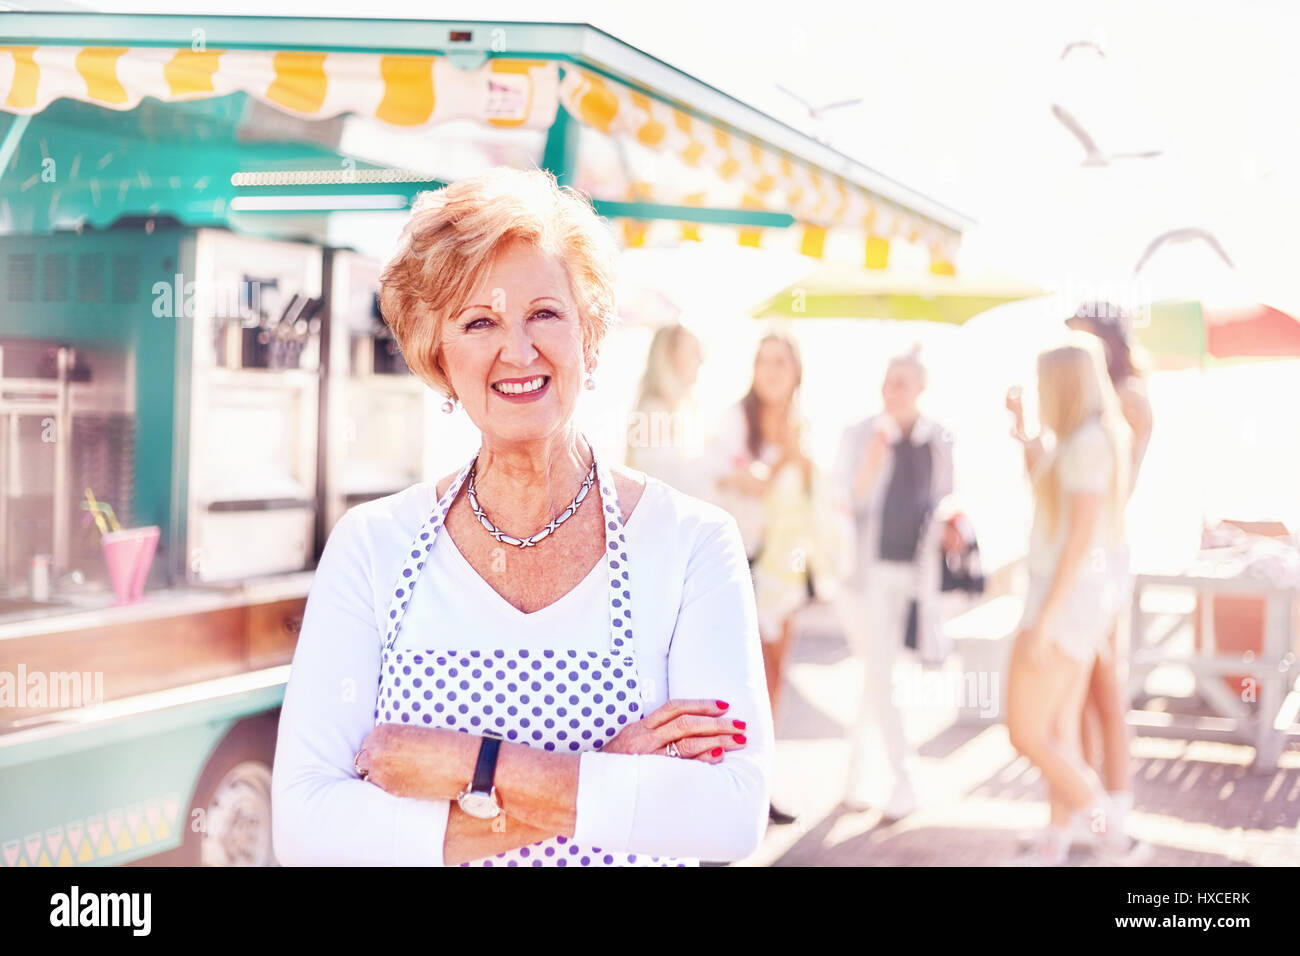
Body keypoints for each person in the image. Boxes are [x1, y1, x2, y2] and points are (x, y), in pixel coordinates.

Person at [271, 167, 772, 867]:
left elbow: (728, 816)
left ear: (590, 334)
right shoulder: (372, 547)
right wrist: (608, 770)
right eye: (479, 321)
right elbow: (307, 830)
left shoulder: (692, 544)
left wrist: (474, 765)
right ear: (439, 357)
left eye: (544, 313)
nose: (518, 349)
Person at [1006, 302, 1152, 854]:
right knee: (1060, 731)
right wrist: (1025, 436)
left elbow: (1077, 540)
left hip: (1063, 603)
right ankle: (1060, 839)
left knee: (1026, 731)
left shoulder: (1088, 443)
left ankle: (1112, 833)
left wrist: (1043, 623)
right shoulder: (1088, 439)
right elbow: (1057, 501)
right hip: (1077, 602)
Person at [832, 347, 953, 820]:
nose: (891, 390)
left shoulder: (938, 438)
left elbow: (946, 498)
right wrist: (869, 467)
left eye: (901, 382)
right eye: (887, 381)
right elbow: (843, 502)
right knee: (882, 672)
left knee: (876, 675)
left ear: (921, 388)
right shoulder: (861, 434)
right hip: (865, 574)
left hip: (916, 574)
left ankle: (855, 777)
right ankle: (905, 779)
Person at [705, 330, 817, 826]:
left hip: (785, 568)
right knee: (736, 678)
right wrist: (781, 461)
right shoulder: (734, 420)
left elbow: (816, 495)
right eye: (763, 360)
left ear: (796, 373)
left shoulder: (802, 426)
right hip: (739, 563)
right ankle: (727, 785)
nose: (771, 370)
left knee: (774, 676)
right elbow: (734, 480)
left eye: (781, 362)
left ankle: (761, 782)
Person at [625, 322, 705, 497]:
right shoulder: (652, 413)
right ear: (670, 356)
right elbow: (658, 485)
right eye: (694, 351)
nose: (701, 360)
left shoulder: (680, 411)